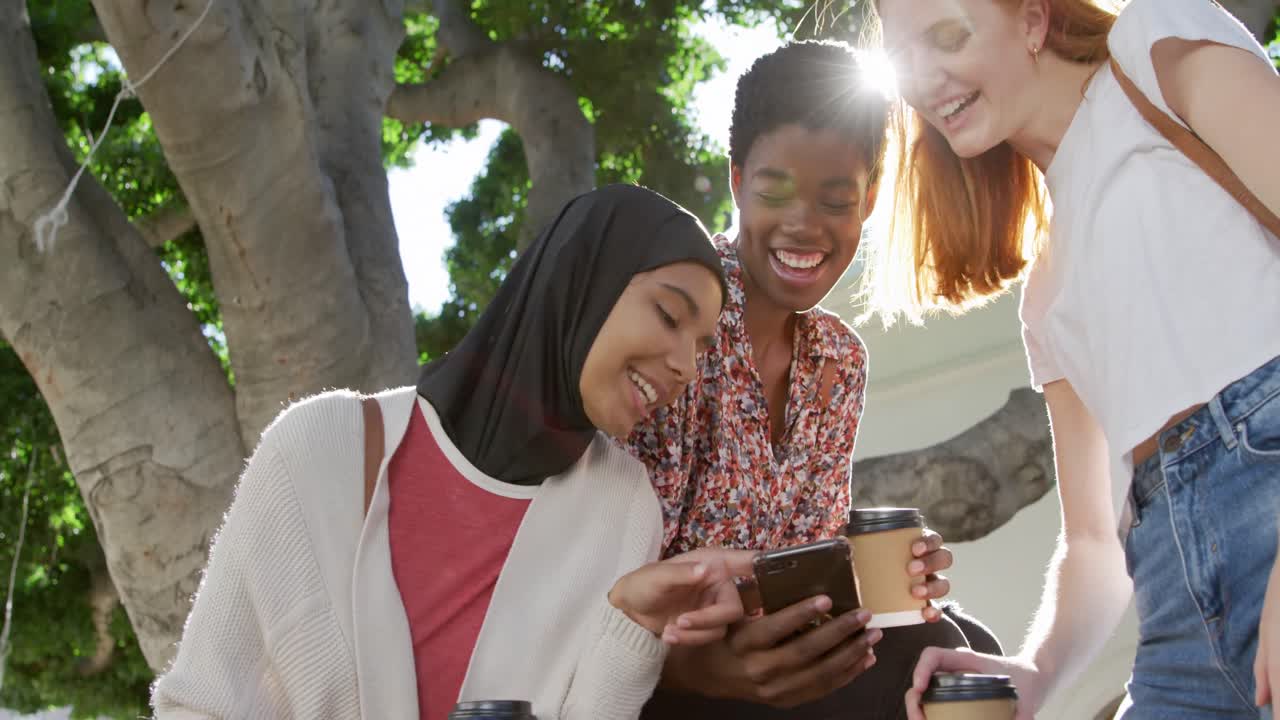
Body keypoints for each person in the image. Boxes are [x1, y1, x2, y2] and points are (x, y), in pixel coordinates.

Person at [150, 184, 758, 720]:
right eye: (669, 314)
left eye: (703, 347)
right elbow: (202, 704)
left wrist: (635, 624)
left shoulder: (624, 508)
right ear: (581, 280)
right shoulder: (316, 448)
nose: (685, 367)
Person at [865, 0, 1280, 717]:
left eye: (948, 37)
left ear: (1032, 20)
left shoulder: (1155, 46)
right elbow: (1093, 540)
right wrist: (1035, 671)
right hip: (1175, 615)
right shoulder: (1046, 292)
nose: (928, 80)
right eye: (908, 59)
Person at [630, 41, 1002, 719]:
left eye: (837, 200)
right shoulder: (675, 318)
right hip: (661, 670)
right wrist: (701, 664)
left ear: (867, 205)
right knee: (928, 656)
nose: (805, 225)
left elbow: (808, 567)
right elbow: (618, 580)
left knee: (965, 650)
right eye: (776, 191)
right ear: (739, 182)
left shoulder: (839, 362)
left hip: (777, 650)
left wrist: (883, 574)